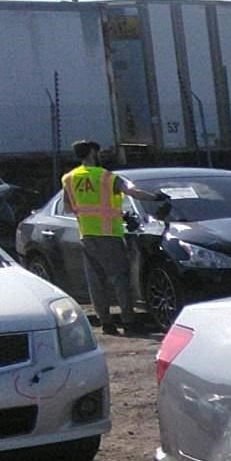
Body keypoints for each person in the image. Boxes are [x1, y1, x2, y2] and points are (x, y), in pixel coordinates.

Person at [60, 140, 139, 334]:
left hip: (87, 235)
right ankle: (129, 322)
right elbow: (131, 191)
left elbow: (68, 208)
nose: (100, 154)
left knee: (96, 281)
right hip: (109, 234)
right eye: (98, 151)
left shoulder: (69, 178)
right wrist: (156, 197)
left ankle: (106, 323)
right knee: (119, 278)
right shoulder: (105, 176)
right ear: (92, 153)